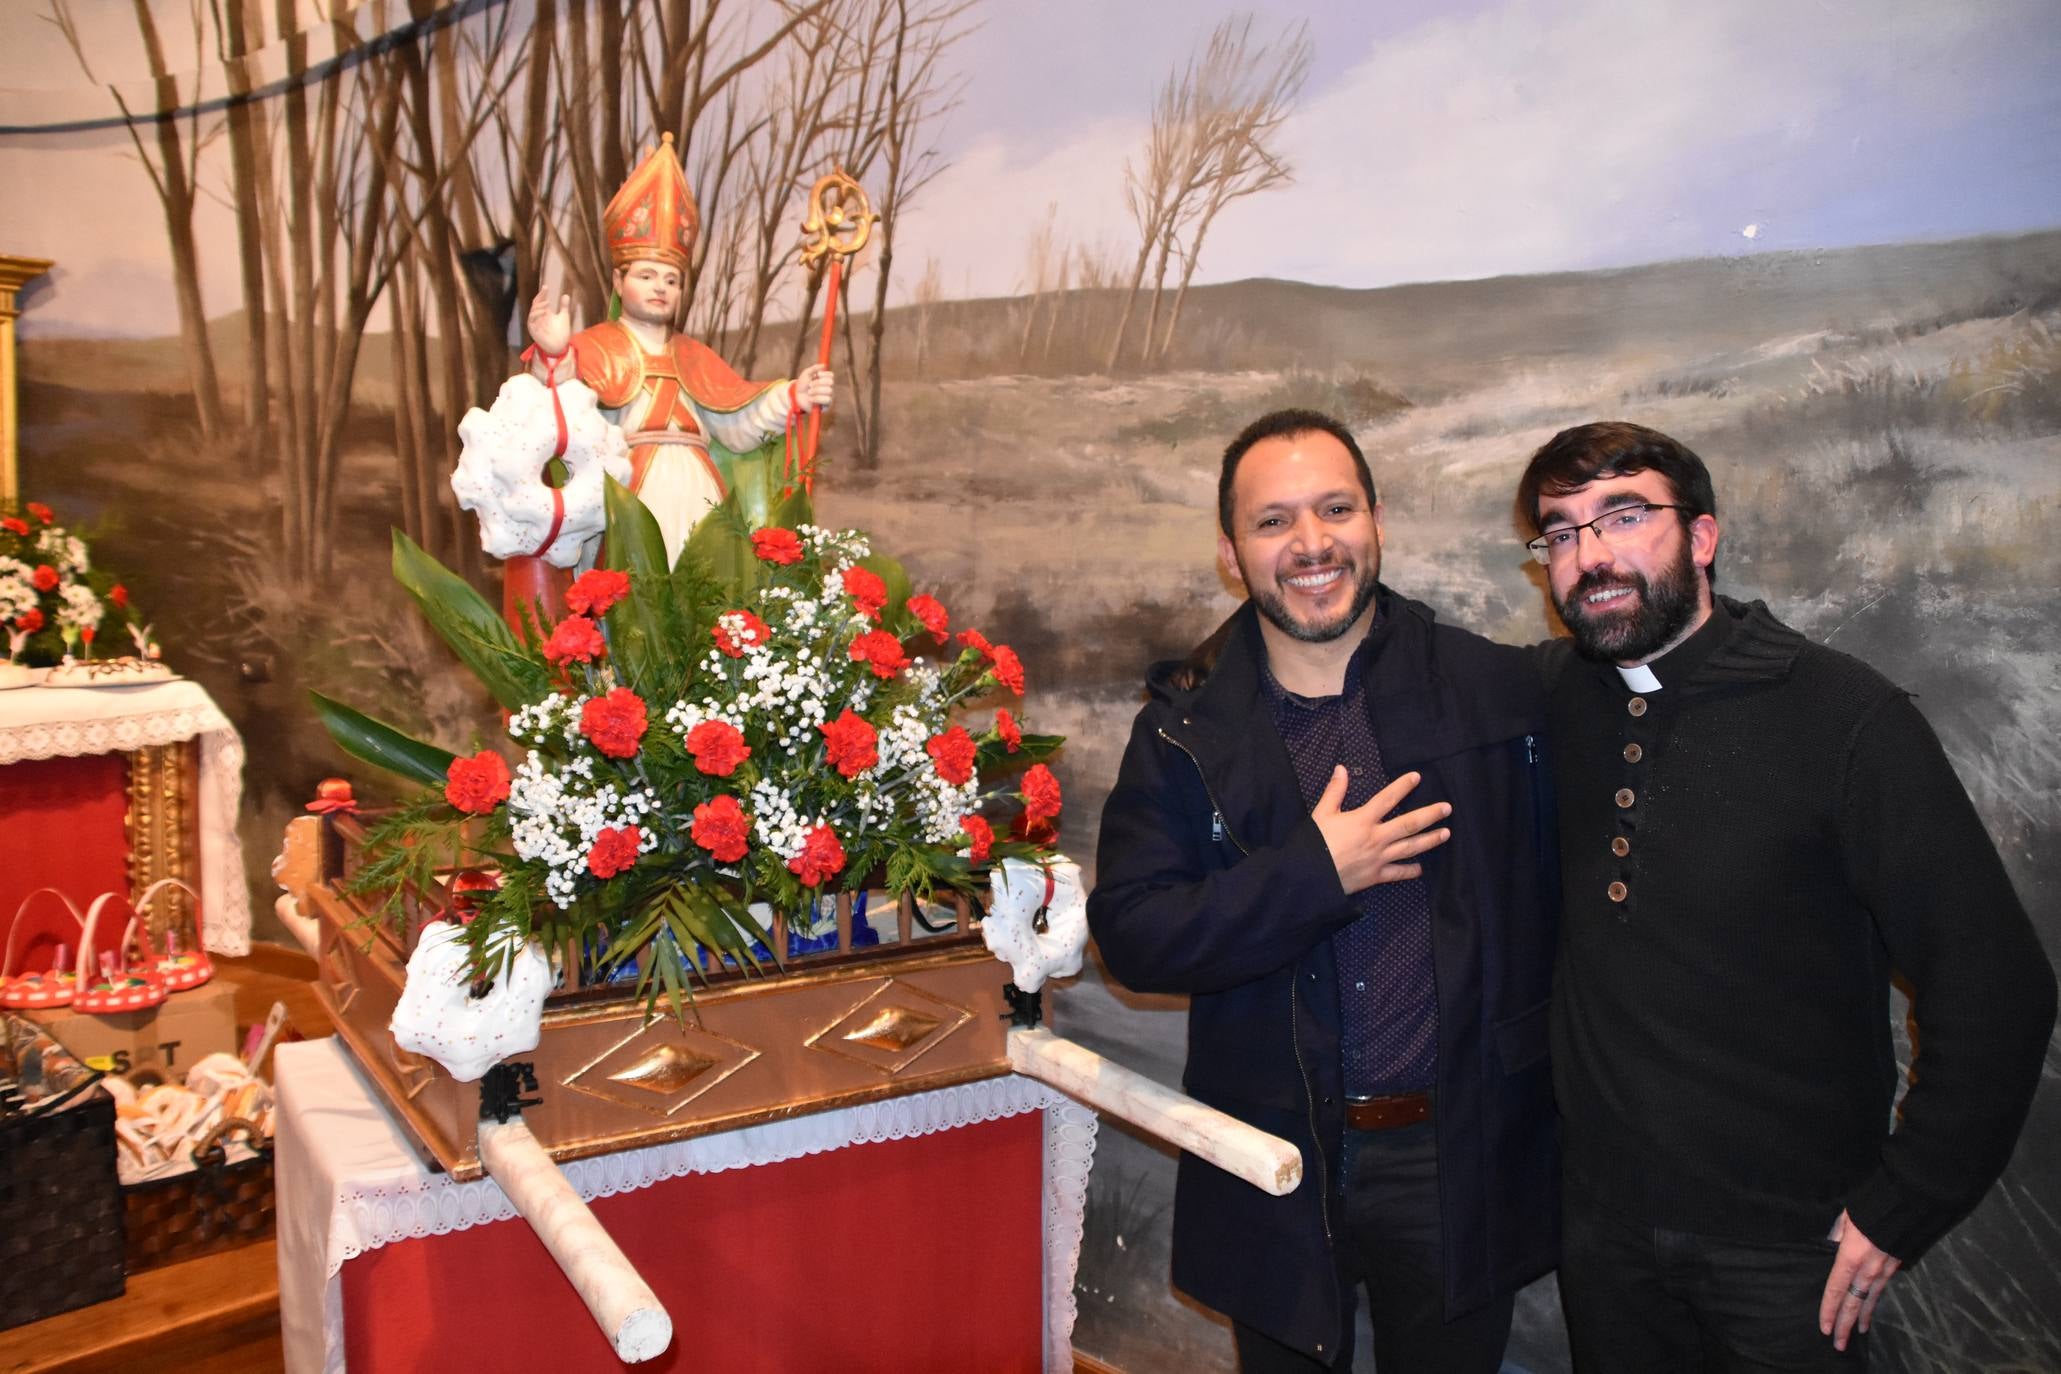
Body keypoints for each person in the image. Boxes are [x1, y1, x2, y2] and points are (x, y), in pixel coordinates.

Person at [1516, 420, 2056, 1371]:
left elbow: (1996, 985)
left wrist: (1903, 1204)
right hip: (1602, 1242)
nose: (1588, 554)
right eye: (1559, 532)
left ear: (1702, 537)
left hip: (1788, 1256)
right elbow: (1378, 645)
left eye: (1623, 515)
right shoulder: (1545, 697)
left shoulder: (1846, 719)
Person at [1088, 409, 1560, 1372]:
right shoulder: (1182, 728)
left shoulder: (1494, 692)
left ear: (1375, 519)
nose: (1310, 544)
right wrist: (1314, 876)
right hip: (1275, 1152)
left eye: (1334, 509)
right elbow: (1133, 936)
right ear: (1231, 552)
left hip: (1454, 1154)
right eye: (1273, 522)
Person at [524, 132, 833, 569]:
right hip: (630, 496)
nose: (660, 288)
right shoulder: (592, 348)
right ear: (618, 281)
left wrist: (793, 397)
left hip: (702, 496)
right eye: (647, 275)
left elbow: (736, 422)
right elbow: (564, 421)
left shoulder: (694, 355)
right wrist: (554, 358)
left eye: (671, 280)